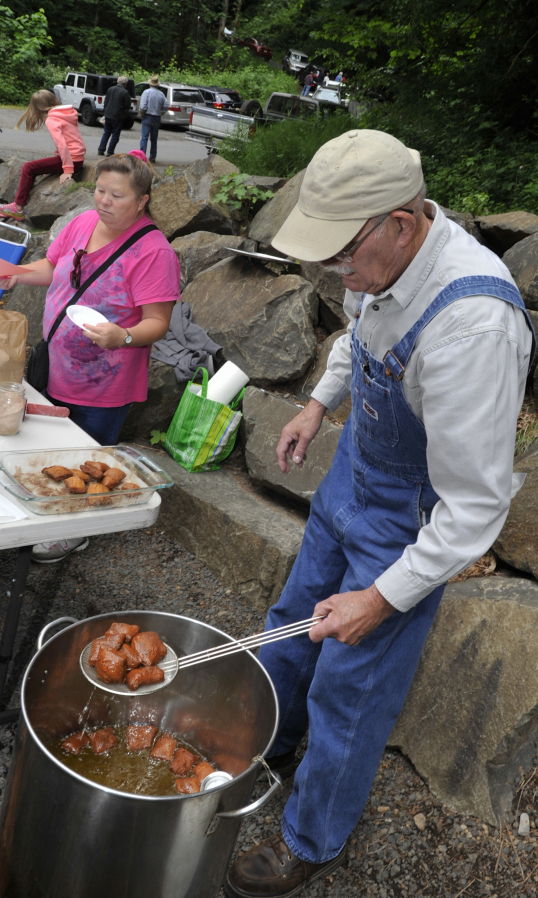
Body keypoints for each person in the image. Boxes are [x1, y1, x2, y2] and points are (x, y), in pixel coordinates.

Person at [224, 129, 535, 898]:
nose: (335, 273)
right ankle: (273, 741)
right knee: (292, 618)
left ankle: (312, 835)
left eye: (341, 255)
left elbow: (475, 507)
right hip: (352, 480)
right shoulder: (378, 258)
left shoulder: (473, 325)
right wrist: (316, 404)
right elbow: (360, 335)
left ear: (402, 221)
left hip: (410, 523)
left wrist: (383, 596)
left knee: (352, 683)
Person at [0, 150, 180, 563]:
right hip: (53, 366)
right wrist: (14, 272)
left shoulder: (154, 253)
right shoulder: (82, 222)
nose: (103, 201)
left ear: (141, 201)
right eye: (100, 190)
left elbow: (158, 321)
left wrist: (124, 335)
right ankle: (37, 511)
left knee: (87, 467)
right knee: (43, 455)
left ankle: (74, 532)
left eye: (116, 195)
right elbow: (50, 267)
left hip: (103, 385)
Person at [0, 91, 86, 223]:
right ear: (55, 100)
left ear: (37, 108)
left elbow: (62, 145)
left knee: (28, 167)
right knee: (36, 167)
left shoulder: (51, 119)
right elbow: (73, 137)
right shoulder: (67, 113)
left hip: (72, 161)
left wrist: (68, 169)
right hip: (78, 158)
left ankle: (18, 207)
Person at [97, 76, 132, 157]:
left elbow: (106, 101)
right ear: (125, 83)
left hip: (108, 115)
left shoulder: (110, 89)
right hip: (117, 116)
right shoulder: (125, 92)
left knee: (106, 133)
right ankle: (110, 151)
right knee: (115, 135)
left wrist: (105, 112)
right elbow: (127, 105)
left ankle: (101, 149)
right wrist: (124, 115)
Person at [139, 75, 168, 163]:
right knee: (154, 139)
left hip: (147, 116)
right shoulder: (161, 94)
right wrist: (161, 113)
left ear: (150, 84)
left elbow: (143, 106)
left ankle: (142, 157)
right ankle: (152, 157)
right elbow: (166, 106)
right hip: (157, 117)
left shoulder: (146, 92)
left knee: (144, 137)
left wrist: (142, 114)